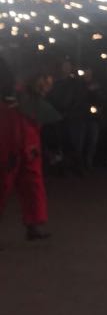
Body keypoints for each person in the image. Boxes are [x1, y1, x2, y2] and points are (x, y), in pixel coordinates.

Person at [0, 58, 50, 242]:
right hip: (9, 148)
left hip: (29, 149)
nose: (46, 85)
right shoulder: (12, 96)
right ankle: (34, 224)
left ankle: (34, 224)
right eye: (43, 80)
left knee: (33, 186)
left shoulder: (31, 99)